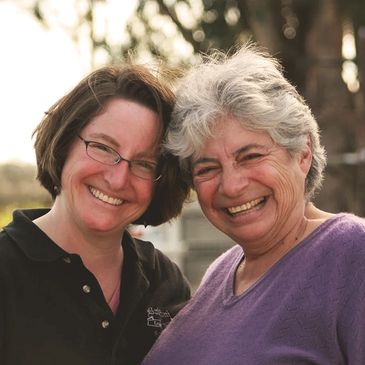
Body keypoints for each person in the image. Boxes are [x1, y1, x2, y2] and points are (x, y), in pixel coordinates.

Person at [142, 43, 365, 364]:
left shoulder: (352, 254)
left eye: (251, 156)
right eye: (207, 168)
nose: (231, 186)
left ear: (303, 152)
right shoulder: (220, 273)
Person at [0, 63, 191, 365]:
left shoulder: (164, 281)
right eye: (102, 148)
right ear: (64, 145)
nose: (118, 180)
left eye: (143, 163)